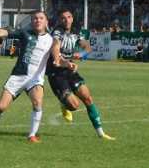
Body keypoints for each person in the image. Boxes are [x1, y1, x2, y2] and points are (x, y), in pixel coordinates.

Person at [0, 10, 54, 143]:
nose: (38, 20)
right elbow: (4, 32)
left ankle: (32, 135)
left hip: (35, 79)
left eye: (41, 18)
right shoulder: (25, 33)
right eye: (35, 18)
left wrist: (68, 63)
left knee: (37, 103)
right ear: (32, 21)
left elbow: (58, 56)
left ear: (46, 21)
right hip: (18, 76)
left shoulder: (51, 40)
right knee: (0, 107)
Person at [47, 9, 115, 140]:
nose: (66, 20)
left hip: (70, 69)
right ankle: (64, 103)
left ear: (72, 18)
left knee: (88, 98)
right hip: (56, 72)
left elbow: (87, 47)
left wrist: (82, 54)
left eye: (68, 17)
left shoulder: (76, 32)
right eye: (63, 18)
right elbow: (55, 46)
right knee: (74, 106)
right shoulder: (57, 32)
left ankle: (101, 134)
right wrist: (57, 60)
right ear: (60, 20)